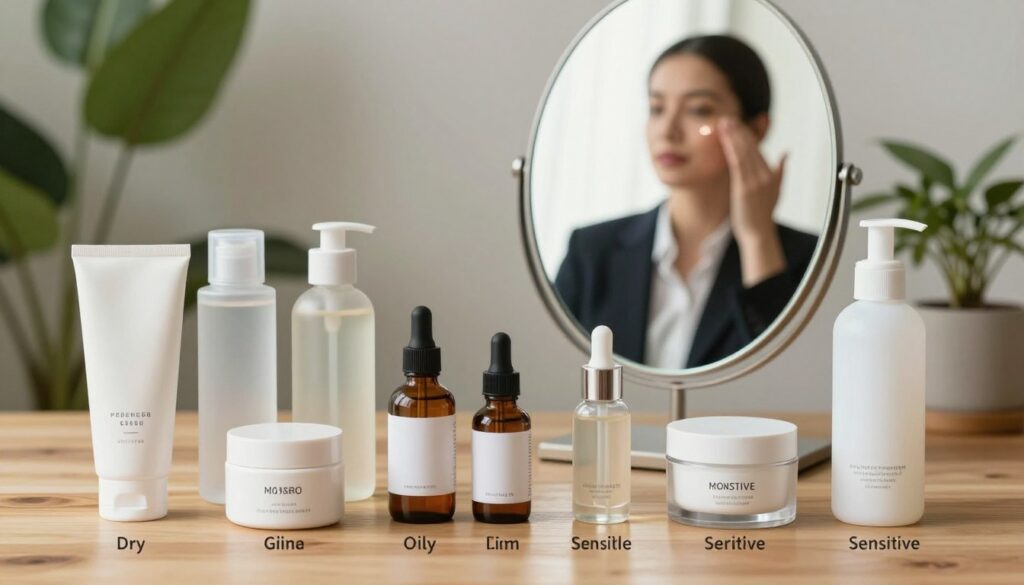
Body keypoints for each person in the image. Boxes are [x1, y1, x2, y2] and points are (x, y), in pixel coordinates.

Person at [555, 34, 817, 369]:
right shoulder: (592, 251)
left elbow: (789, 380)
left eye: (698, 110)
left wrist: (757, 238)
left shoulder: (804, 259)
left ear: (756, 129)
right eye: (657, 108)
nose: (667, 130)